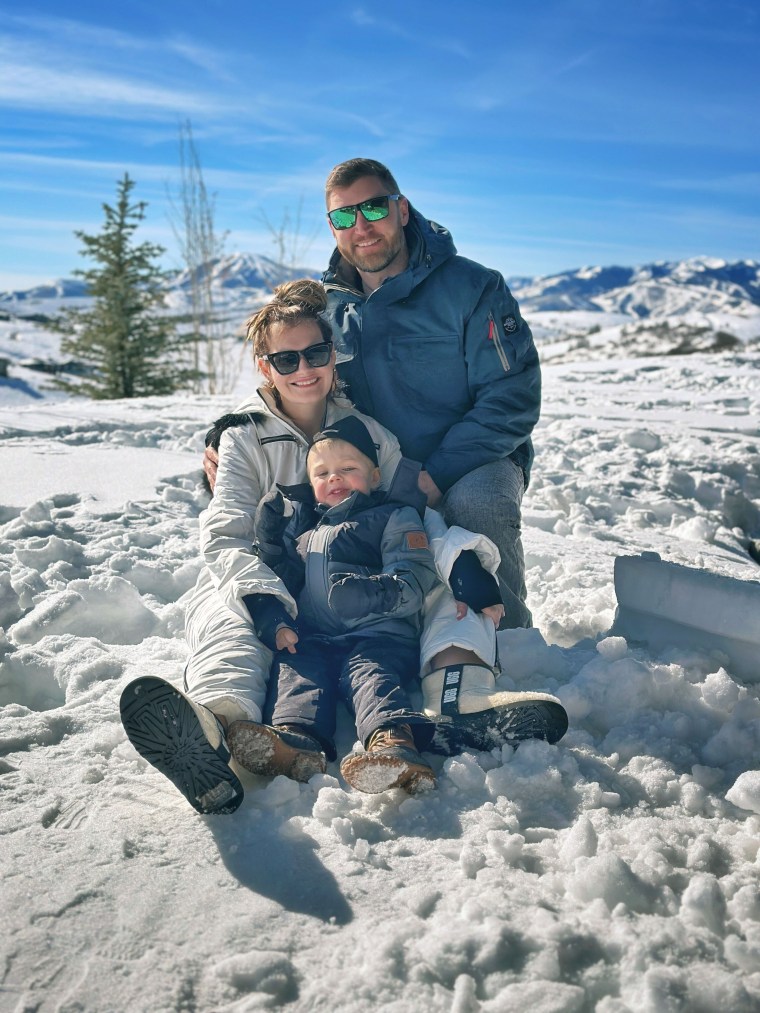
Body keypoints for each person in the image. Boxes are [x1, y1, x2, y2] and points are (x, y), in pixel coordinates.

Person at [122, 280, 566, 815]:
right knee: (225, 611)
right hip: (278, 580)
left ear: (334, 357)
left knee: (451, 595)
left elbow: (416, 518)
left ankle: (459, 695)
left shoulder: (372, 433)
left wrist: (463, 560)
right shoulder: (244, 437)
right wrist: (261, 595)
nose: (303, 368)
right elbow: (225, 535)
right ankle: (216, 724)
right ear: (265, 368)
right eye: (286, 359)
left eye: (315, 353)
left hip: (378, 586)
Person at [239, 416, 505, 795]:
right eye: (322, 473)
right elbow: (281, 583)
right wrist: (270, 549)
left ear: (375, 476)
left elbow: (414, 577)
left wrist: (369, 592)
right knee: (297, 671)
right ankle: (295, 741)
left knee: (372, 678)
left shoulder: (392, 517)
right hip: (315, 637)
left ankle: (394, 743)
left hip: (379, 635)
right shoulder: (304, 531)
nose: (334, 478)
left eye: (348, 469)